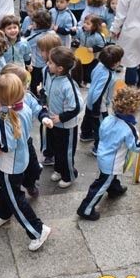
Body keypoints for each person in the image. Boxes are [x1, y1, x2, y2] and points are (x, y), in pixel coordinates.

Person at [77, 87, 140, 220]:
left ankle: (115, 189)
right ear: (132, 110)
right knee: (100, 186)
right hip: (111, 163)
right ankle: (85, 209)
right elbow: (137, 147)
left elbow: (101, 134)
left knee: (108, 178)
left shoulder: (108, 119)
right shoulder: (128, 128)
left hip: (103, 156)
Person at [0, 74, 52, 251]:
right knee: (6, 189)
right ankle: (3, 212)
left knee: (15, 198)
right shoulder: (24, 109)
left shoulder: (3, 119)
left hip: (10, 165)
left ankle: (38, 230)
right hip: (21, 161)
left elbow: (6, 146)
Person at [42, 47, 84, 188]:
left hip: (66, 127)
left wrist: (61, 117)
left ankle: (70, 175)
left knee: (66, 153)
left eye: (50, 63)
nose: (48, 64)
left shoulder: (68, 84)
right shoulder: (53, 76)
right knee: (57, 150)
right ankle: (59, 170)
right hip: (54, 124)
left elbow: (77, 107)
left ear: (60, 68)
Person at [79, 45, 124, 152]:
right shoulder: (108, 75)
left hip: (90, 101)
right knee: (102, 127)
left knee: (88, 118)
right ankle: (98, 147)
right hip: (99, 106)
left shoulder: (99, 65)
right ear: (116, 63)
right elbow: (98, 93)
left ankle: (85, 135)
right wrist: (97, 111)